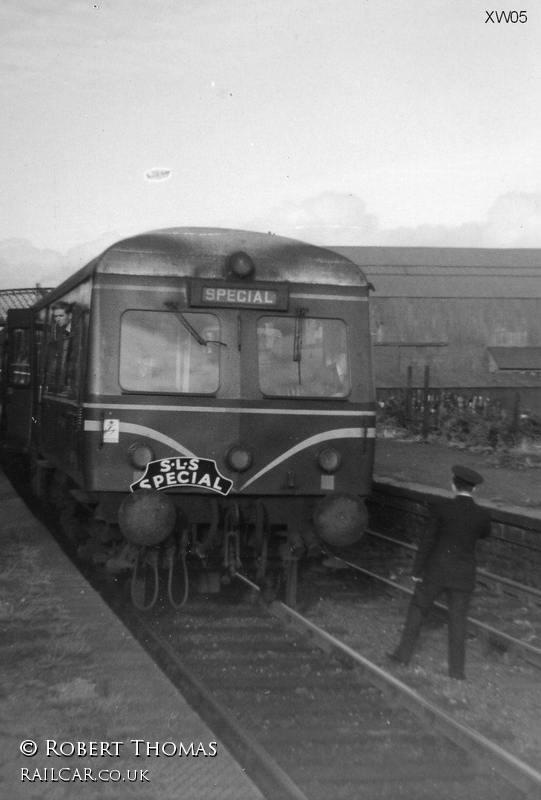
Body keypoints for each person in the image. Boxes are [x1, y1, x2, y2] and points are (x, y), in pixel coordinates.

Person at [388, 465, 491, 680]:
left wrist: (417, 569)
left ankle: (402, 656)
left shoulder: (441, 509)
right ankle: (457, 672)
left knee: (418, 609)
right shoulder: (482, 514)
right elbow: (484, 534)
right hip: (463, 575)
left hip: (436, 571)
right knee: (458, 621)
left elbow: (427, 541)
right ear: (474, 490)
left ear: (453, 485)